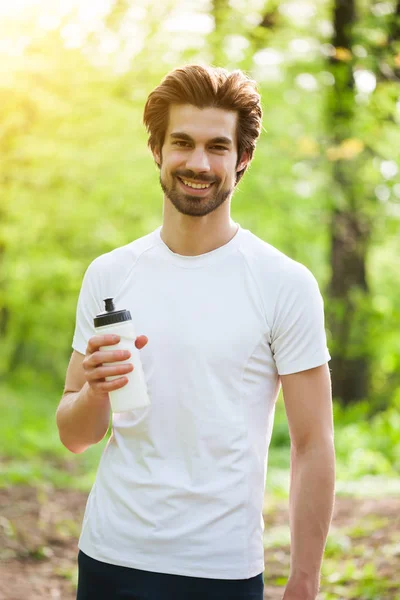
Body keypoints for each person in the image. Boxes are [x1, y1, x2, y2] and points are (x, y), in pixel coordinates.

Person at [56, 64, 335, 600]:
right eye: (181, 142)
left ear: (243, 159)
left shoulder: (284, 284)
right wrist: (93, 390)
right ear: (156, 150)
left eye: (218, 146)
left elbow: (313, 444)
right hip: (109, 555)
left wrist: (304, 578)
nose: (198, 163)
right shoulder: (110, 274)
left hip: (222, 569)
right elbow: (74, 436)